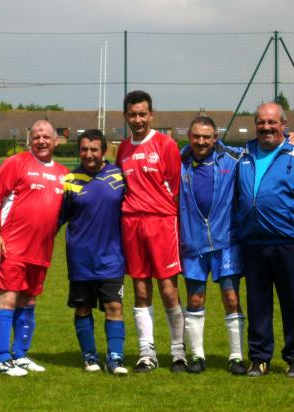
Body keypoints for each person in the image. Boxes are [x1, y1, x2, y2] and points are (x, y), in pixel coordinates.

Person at [236, 102, 294, 378]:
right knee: (258, 304)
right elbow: (204, 149)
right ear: (255, 125)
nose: (266, 127)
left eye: (272, 122)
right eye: (261, 122)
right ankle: (259, 359)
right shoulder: (243, 154)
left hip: (290, 243)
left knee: (293, 302)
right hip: (253, 244)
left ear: (284, 124)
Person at [0, 120, 69, 377]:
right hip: (12, 246)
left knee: (29, 301)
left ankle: (20, 355)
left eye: (46, 137)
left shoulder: (64, 174)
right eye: (36, 137)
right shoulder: (17, 163)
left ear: (56, 141)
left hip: (41, 250)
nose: (41, 141)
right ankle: (2, 360)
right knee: (8, 298)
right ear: (29, 140)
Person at [116, 90, 186, 373]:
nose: (138, 119)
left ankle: (178, 351)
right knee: (140, 288)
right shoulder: (122, 148)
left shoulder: (165, 144)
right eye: (132, 115)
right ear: (126, 116)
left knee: (169, 289)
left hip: (161, 222)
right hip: (132, 223)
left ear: (151, 115)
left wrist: (178, 229)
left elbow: (177, 190)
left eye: (142, 114)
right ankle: (147, 352)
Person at [178, 116, 246, 375]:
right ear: (189, 137)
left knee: (231, 297)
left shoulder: (232, 158)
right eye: (196, 136)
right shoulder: (179, 161)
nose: (201, 141)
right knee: (195, 299)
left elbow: (263, 147)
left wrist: (290, 139)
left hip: (225, 242)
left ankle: (237, 357)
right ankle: (196, 356)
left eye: (207, 137)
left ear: (215, 137)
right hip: (192, 244)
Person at [60, 129, 127, 375]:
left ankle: (116, 358)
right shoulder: (70, 179)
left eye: (94, 149)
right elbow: (57, 218)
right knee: (83, 309)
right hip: (80, 259)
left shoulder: (119, 176)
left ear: (104, 151)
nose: (89, 154)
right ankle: (90, 357)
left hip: (112, 257)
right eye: (84, 149)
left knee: (114, 307)